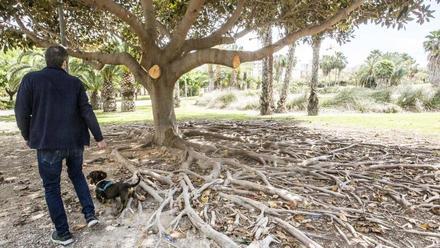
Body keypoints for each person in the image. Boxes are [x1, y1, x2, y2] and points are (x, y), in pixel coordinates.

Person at [15, 45, 106, 246]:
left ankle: (64, 234)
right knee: (77, 175)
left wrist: (27, 135)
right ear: (65, 62)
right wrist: (99, 137)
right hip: (74, 142)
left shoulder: (31, 79)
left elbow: (21, 112)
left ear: (46, 60)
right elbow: (87, 111)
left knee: (51, 187)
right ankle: (90, 215)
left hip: (47, 143)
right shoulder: (75, 82)